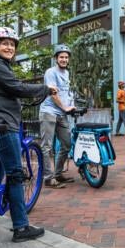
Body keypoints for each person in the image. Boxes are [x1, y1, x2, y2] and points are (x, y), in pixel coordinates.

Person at [0, 27, 58, 243]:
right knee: (14, 174)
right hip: (4, 125)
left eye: (12, 44)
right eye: (4, 43)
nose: (9, 47)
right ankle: (21, 227)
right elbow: (18, 88)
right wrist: (46, 89)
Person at [39, 44, 76, 189]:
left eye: (66, 57)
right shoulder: (51, 72)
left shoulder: (66, 74)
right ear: (56, 58)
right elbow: (53, 94)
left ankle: (58, 174)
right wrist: (65, 107)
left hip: (61, 114)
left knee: (66, 144)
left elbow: (64, 94)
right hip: (49, 112)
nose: (64, 59)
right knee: (47, 146)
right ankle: (48, 179)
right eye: (61, 57)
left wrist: (69, 106)